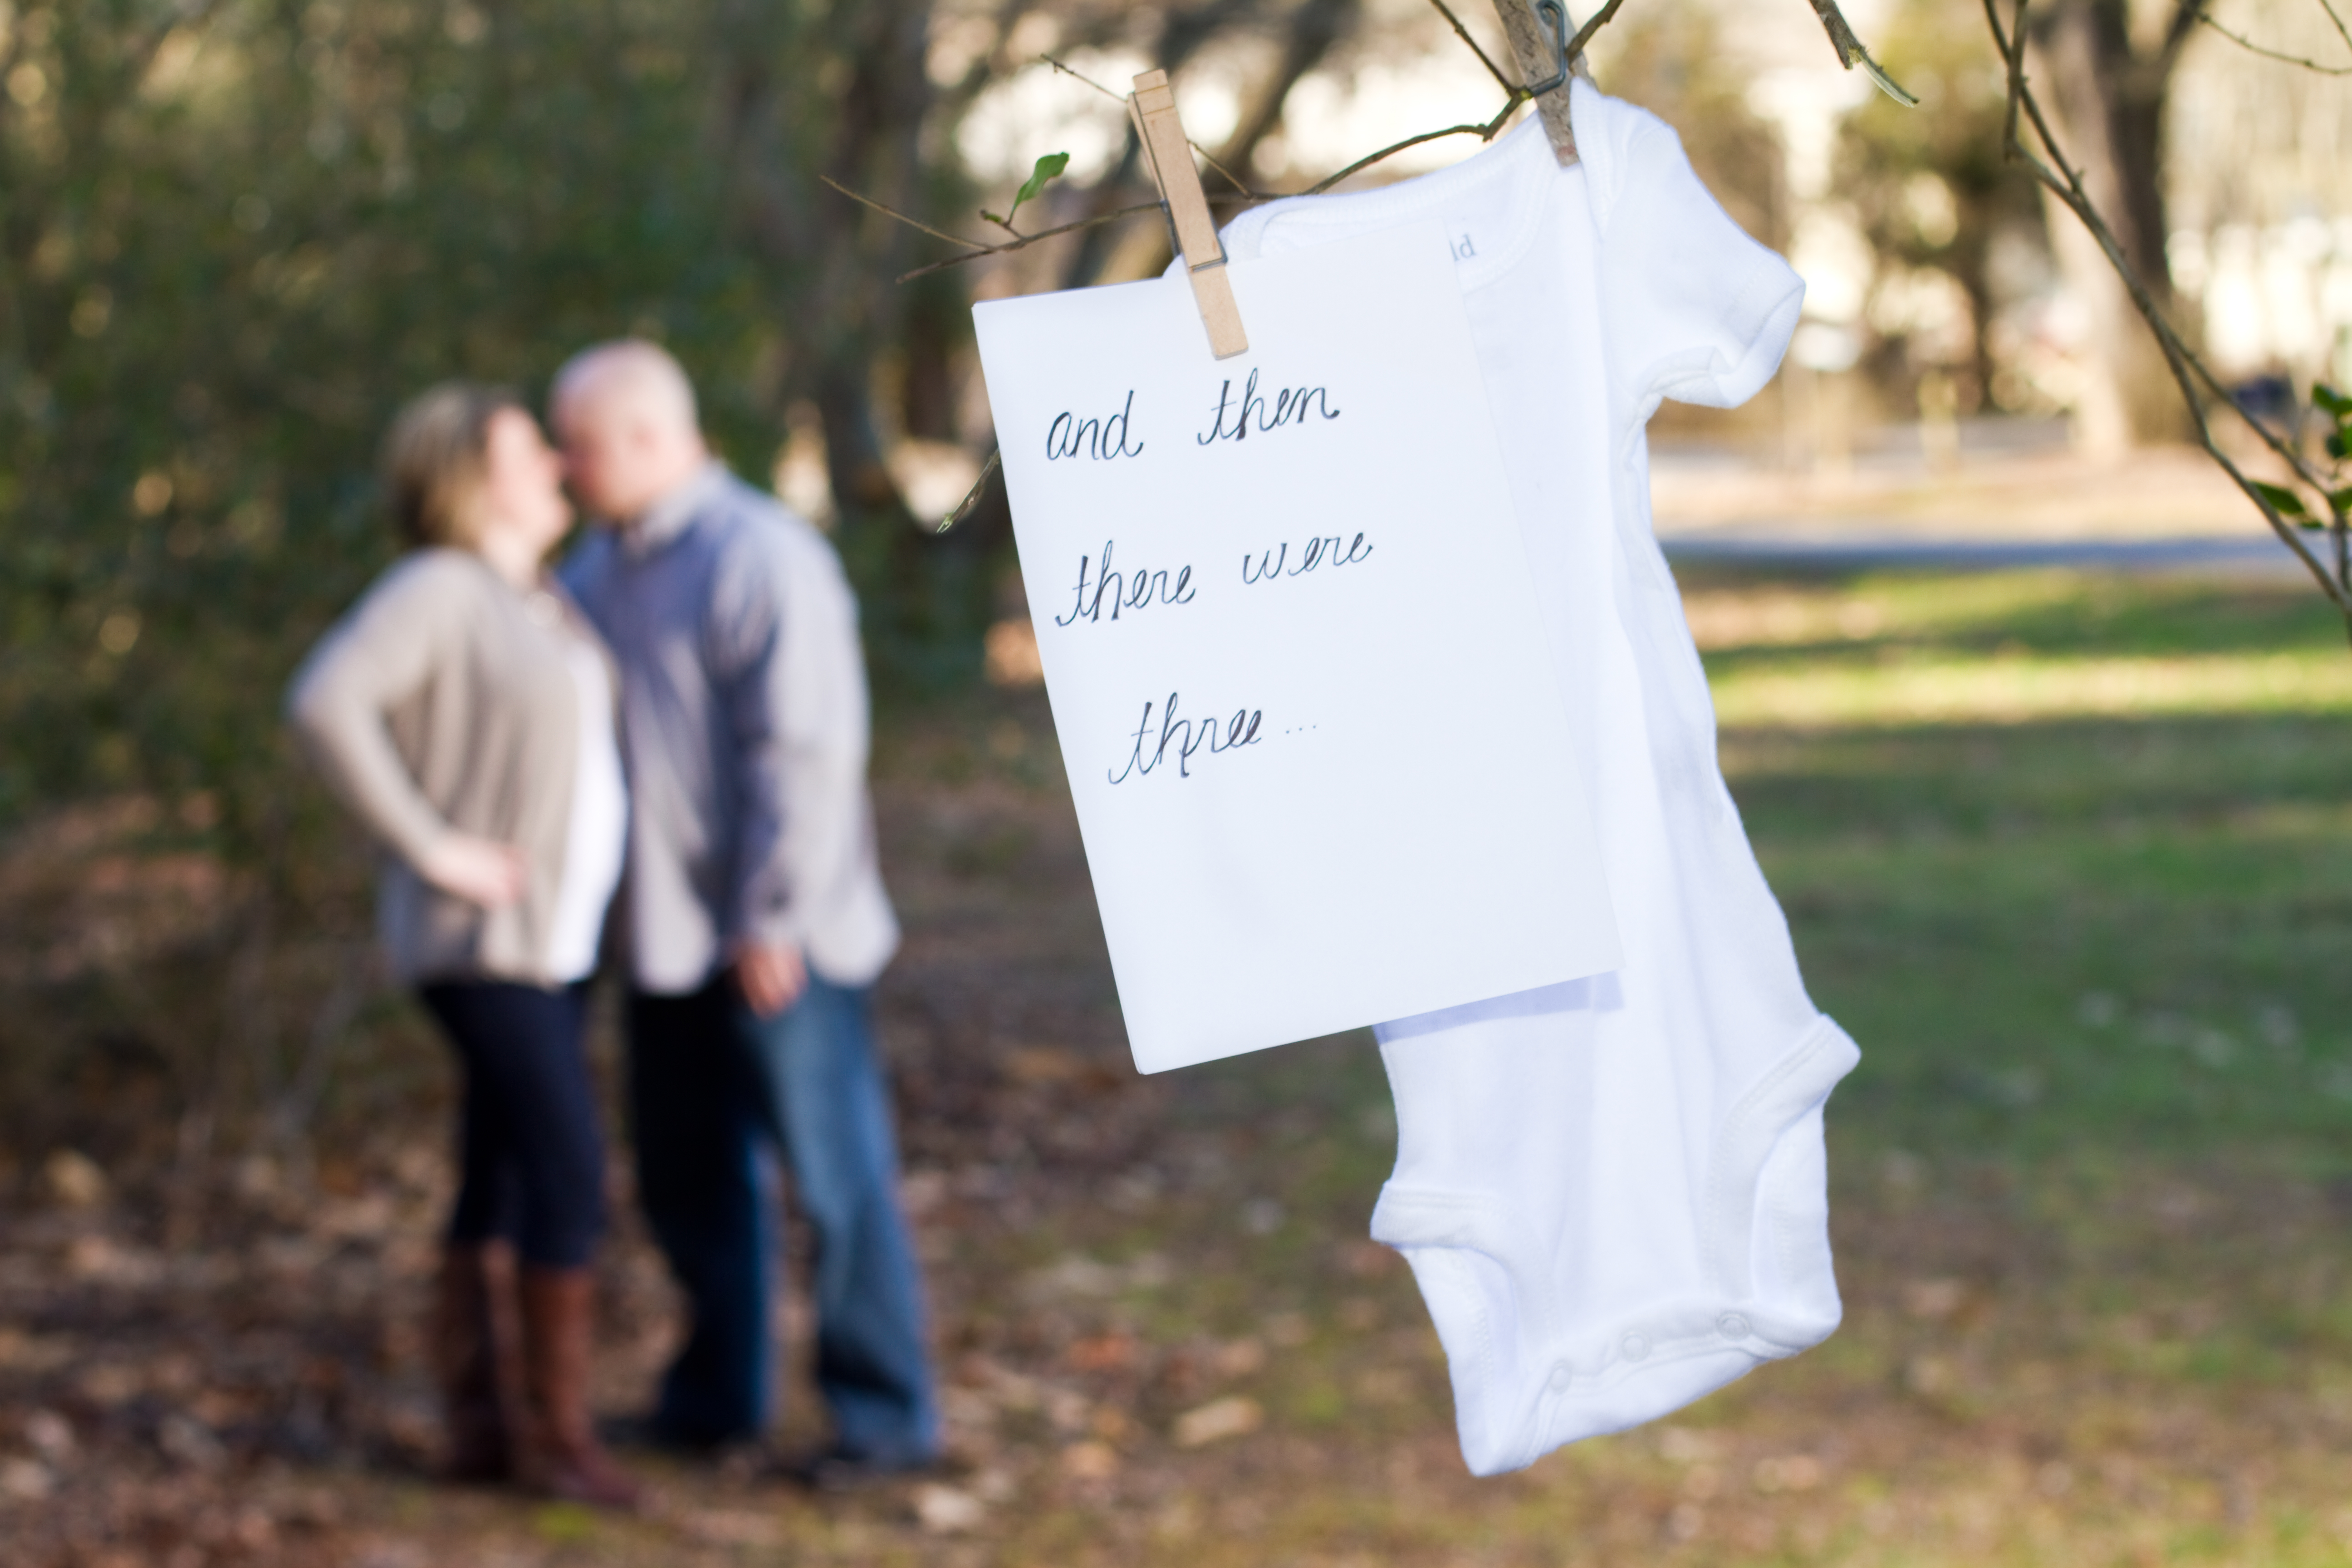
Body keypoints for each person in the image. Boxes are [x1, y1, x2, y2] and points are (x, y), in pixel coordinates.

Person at [552, 341, 938, 1480]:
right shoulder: (596, 567)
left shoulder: (762, 556)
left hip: (781, 944)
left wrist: (772, 916)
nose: (567, 468)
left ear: (644, 437)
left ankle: (884, 1420)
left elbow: (807, 753)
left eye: (577, 446)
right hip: (663, 946)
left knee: (834, 1175)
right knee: (687, 1179)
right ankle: (718, 1399)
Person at [285, 384, 642, 1509]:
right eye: (527, 446)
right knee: (570, 1171)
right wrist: (433, 847)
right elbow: (325, 702)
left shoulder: (532, 596)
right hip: (485, 943)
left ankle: (487, 1431)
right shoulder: (439, 587)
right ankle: (557, 1441)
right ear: (473, 477)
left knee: (497, 1170)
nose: (552, 458)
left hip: (554, 943)